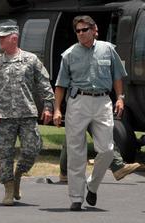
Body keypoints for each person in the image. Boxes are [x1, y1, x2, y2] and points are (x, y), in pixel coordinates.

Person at [53, 15, 128, 211]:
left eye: (84, 30)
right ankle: (76, 197)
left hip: (103, 101)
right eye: (77, 31)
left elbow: (117, 76)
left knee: (107, 149)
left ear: (94, 30)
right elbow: (60, 85)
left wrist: (120, 97)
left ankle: (92, 185)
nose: (80, 34)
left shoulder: (108, 49)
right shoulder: (69, 55)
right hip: (78, 103)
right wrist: (57, 110)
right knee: (76, 151)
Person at [0, 25, 54, 206]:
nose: (0, 40)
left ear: (14, 38)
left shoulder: (31, 60)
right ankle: (8, 189)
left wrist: (48, 106)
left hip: (27, 114)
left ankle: (19, 173)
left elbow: (44, 84)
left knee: (33, 148)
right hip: (4, 117)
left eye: (3, 37)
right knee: (5, 155)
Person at [59, 134, 141, 183]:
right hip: (78, 107)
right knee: (74, 134)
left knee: (101, 129)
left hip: (94, 107)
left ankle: (117, 166)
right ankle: (64, 172)